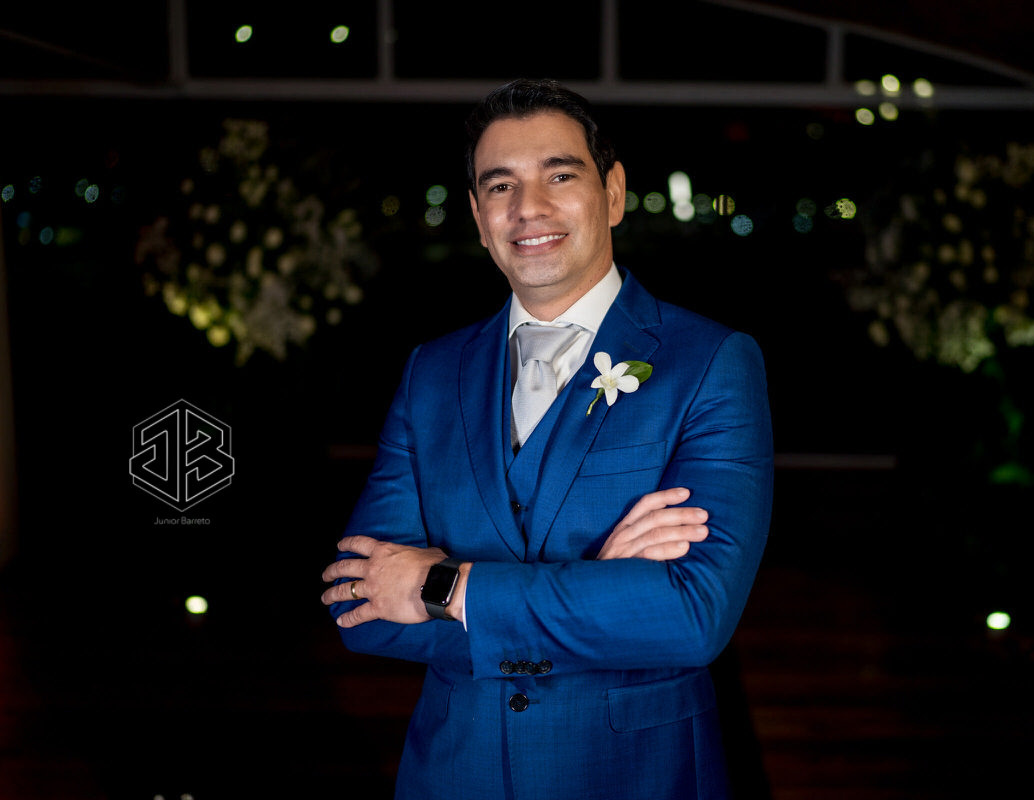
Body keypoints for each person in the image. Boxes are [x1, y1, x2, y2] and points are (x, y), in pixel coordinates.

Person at [321, 78, 774, 800]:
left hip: (637, 780)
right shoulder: (431, 372)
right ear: (478, 217)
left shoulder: (712, 362)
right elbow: (360, 606)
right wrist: (604, 588)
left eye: (559, 176)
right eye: (500, 186)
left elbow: (693, 615)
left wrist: (443, 587)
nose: (527, 208)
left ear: (613, 193)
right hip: (454, 777)